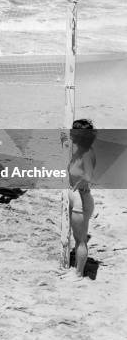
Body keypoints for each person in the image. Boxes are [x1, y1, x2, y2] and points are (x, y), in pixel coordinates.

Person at [62, 119, 97, 282]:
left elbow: (89, 176)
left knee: (80, 239)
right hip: (75, 197)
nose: (71, 134)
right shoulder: (79, 150)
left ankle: (79, 274)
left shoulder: (87, 153)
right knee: (76, 237)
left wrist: (81, 183)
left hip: (81, 201)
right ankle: (76, 269)